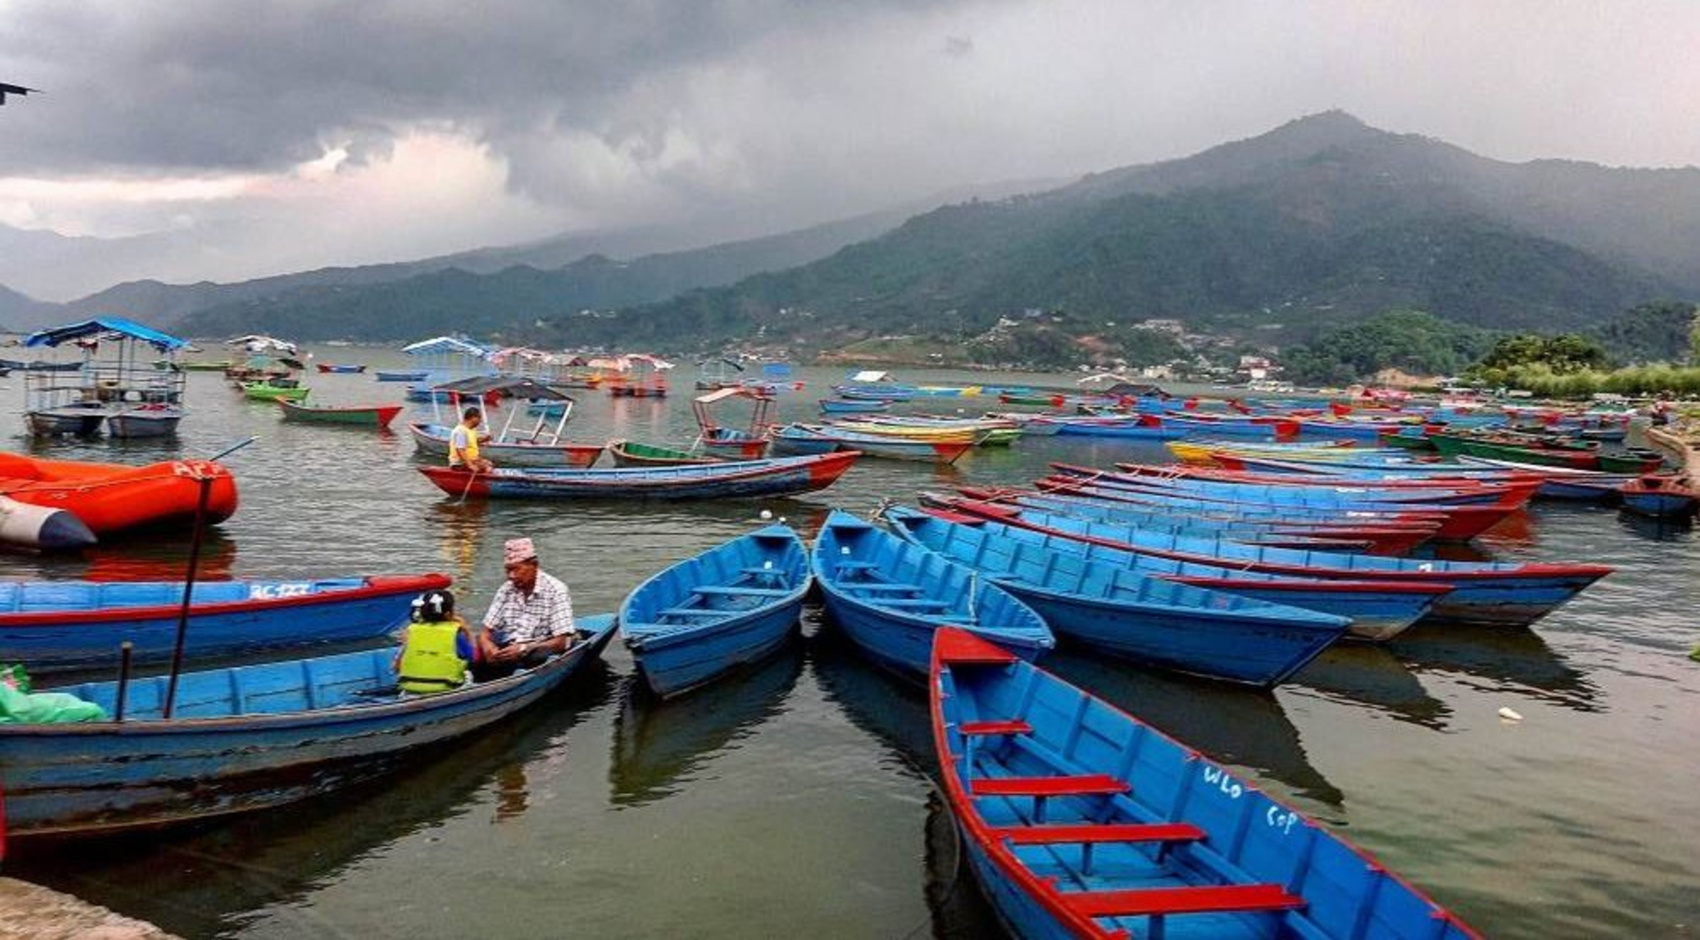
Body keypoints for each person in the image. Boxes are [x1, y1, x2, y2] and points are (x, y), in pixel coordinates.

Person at [473, 537, 577, 681]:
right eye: (508, 570)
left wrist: (523, 649)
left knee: (535, 656)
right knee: (477, 645)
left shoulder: (556, 590)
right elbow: (486, 632)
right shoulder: (506, 589)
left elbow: (561, 642)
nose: (511, 576)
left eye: (516, 570)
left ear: (534, 565)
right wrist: (487, 646)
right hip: (510, 645)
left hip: (538, 648)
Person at [394, 589, 476, 695]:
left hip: (410, 692)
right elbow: (474, 657)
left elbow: (396, 667)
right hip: (446, 690)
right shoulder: (455, 633)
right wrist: (467, 631)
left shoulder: (411, 631)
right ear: (448, 614)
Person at [448, 406, 494, 472]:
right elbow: (460, 450)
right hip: (460, 463)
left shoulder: (472, 429)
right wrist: (470, 465)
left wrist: (485, 439)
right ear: (473, 418)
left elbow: (473, 442)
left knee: (489, 463)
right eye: (479, 418)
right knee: (488, 468)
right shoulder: (461, 431)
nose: (480, 421)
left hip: (472, 460)